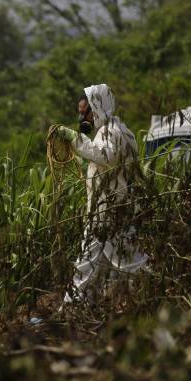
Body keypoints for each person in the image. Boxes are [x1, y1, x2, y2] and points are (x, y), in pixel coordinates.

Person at [54, 83, 148, 303]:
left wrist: (74, 138)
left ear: (96, 107)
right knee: (97, 262)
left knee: (127, 262)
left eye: (84, 112)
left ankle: (153, 295)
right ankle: (80, 305)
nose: (82, 119)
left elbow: (105, 156)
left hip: (110, 210)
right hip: (111, 207)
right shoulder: (120, 128)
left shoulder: (110, 131)